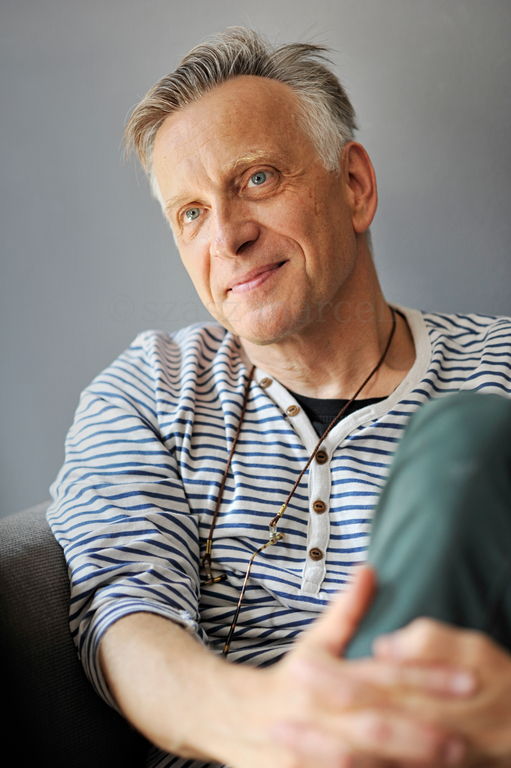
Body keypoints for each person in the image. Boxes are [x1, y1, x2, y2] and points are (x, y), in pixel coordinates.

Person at [47, 27, 511, 768]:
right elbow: (123, 616)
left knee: (469, 440)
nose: (226, 236)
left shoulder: (498, 367)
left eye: (257, 178)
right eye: (190, 213)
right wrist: (277, 724)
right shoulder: (148, 392)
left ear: (353, 185)